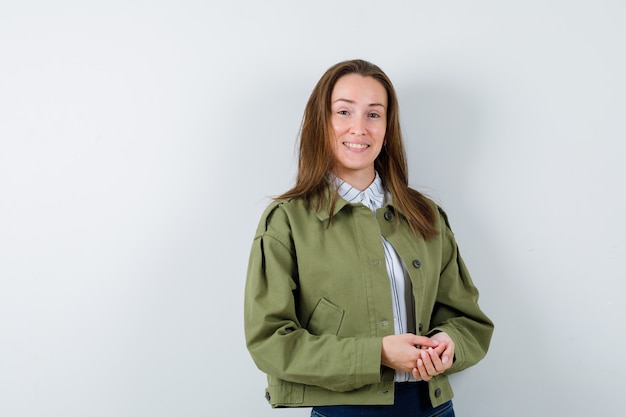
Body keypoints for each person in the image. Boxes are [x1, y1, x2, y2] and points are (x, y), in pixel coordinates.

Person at [244, 59, 494, 417]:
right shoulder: (286, 221)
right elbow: (269, 342)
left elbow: (468, 319)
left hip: (434, 409)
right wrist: (377, 353)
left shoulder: (426, 215)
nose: (359, 128)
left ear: (388, 128)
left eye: (373, 115)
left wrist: (449, 342)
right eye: (344, 111)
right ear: (322, 123)